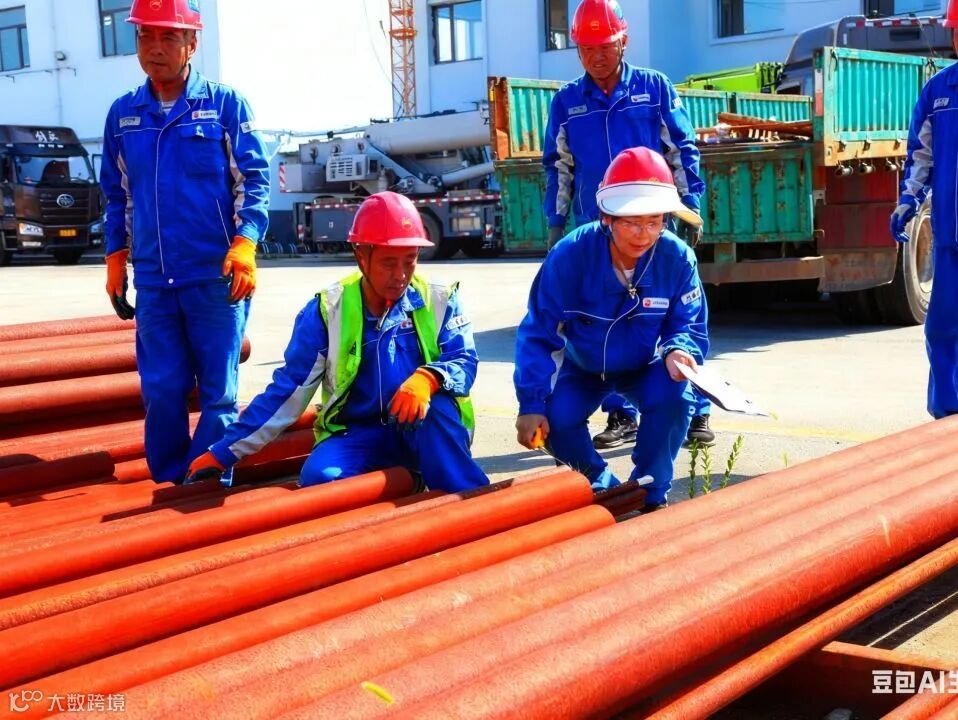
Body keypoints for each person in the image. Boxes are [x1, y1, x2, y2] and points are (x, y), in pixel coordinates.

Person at [187, 191, 489, 493]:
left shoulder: (439, 299)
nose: (400, 275)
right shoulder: (327, 311)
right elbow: (287, 392)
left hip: (422, 425)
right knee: (321, 481)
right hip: (358, 433)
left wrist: (428, 378)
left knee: (437, 410)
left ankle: (466, 499)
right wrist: (223, 453)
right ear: (361, 256)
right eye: (388, 263)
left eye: (410, 261)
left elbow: (463, 359)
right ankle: (410, 481)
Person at [100, 0, 269, 484]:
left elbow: (254, 182)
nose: (155, 48)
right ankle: (170, 482)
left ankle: (207, 485)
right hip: (155, 281)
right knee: (162, 389)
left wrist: (246, 243)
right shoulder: (123, 115)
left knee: (219, 394)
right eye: (145, 36)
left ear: (192, 44)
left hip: (215, 278)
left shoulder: (225, 106)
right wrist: (116, 256)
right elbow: (117, 195)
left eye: (169, 37)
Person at [542, 0, 712, 450]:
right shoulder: (567, 102)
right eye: (587, 49)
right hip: (599, 231)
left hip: (652, 225)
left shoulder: (654, 88)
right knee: (609, 322)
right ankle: (622, 414)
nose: (596, 57)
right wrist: (556, 221)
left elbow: (681, 149)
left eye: (605, 46)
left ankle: (695, 406)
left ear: (624, 41)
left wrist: (690, 205)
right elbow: (558, 166)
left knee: (677, 315)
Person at [515, 147, 707, 509]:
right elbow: (539, 332)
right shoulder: (569, 256)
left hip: (642, 366)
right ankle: (602, 488)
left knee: (678, 396)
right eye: (632, 222)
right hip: (582, 367)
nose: (643, 234)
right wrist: (531, 403)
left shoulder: (678, 258)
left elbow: (689, 323)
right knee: (553, 419)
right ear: (607, 217)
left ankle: (649, 491)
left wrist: (679, 349)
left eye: (655, 221)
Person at [891, 0, 958, 420]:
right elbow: (921, 154)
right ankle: (947, 418)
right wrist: (908, 200)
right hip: (952, 237)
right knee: (941, 328)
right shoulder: (939, 90)